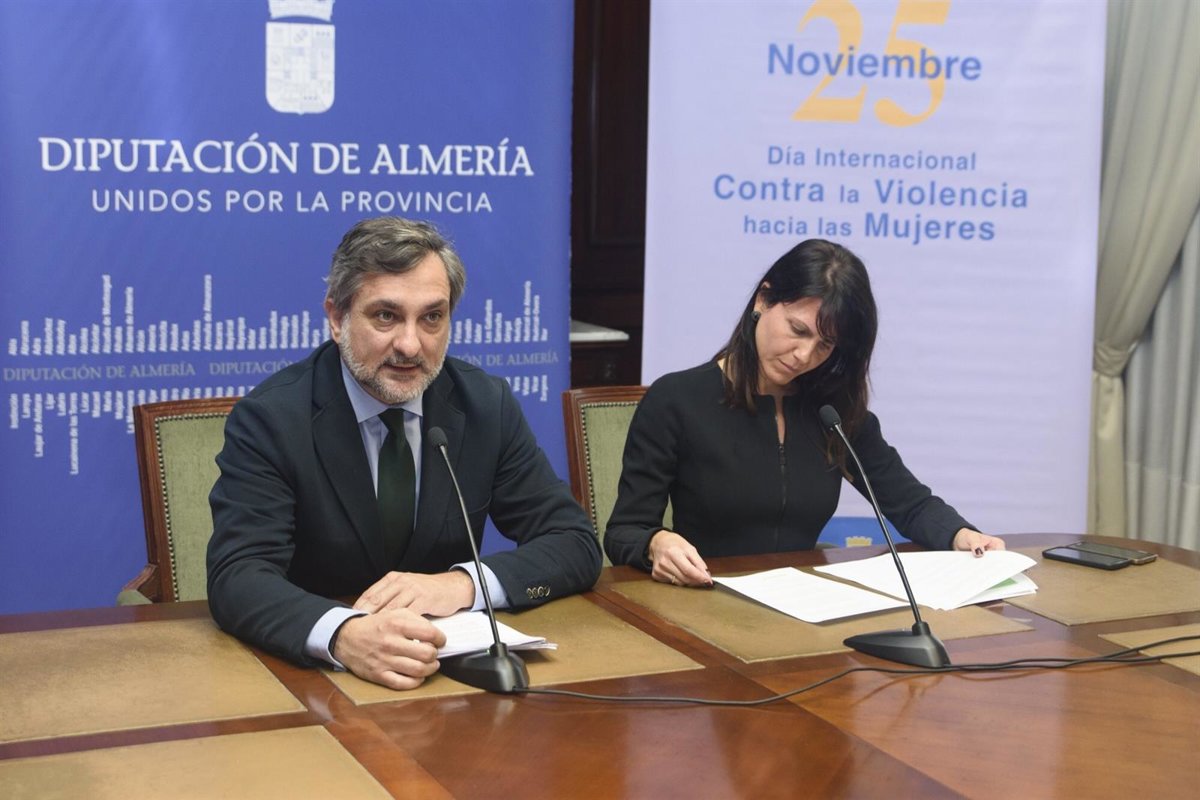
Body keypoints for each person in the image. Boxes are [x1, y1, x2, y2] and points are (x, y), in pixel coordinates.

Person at [207, 216, 602, 689]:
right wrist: (342, 634)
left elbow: (574, 543)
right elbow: (238, 575)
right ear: (336, 318)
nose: (411, 345)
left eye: (432, 317)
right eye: (386, 316)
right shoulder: (273, 418)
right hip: (316, 684)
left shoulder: (483, 405)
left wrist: (462, 584)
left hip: (445, 676)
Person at [604, 239, 1005, 586]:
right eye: (798, 330)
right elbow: (625, 531)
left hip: (803, 606)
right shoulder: (678, 399)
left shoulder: (833, 412)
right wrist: (657, 543)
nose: (804, 355)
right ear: (763, 300)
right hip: (704, 601)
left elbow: (909, 503)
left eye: (825, 345)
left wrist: (962, 535)